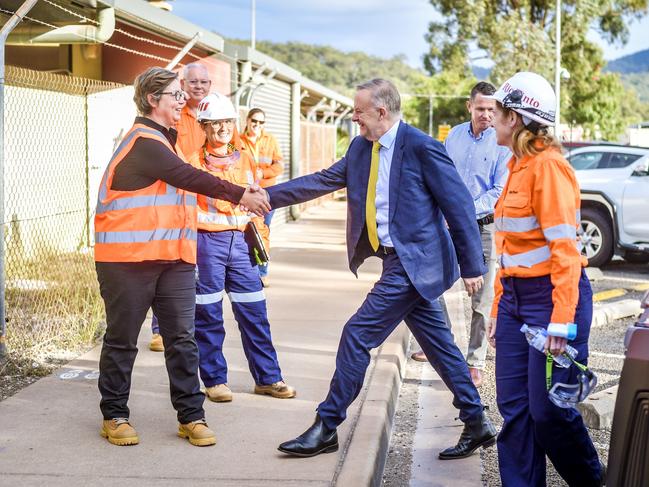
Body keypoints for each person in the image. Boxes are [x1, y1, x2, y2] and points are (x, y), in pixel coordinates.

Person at [265, 78, 497, 459]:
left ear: (381, 112)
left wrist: (473, 265)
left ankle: (327, 425)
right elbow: (323, 180)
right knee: (439, 347)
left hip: (414, 264)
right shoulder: (361, 148)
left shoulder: (422, 147)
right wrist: (268, 197)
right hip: (395, 260)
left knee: (356, 335)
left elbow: (458, 205)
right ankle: (477, 422)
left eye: (359, 111)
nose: (354, 117)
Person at [94, 67, 269, 447]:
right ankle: (115, 415)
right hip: (127, 261)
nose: (183, 101)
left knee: (182, 339)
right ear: (153, 100)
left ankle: (191, 416)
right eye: (175, 95)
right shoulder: (144, 142)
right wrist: (241, 195)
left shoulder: (165, 140)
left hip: (172, 259)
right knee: (122, 339)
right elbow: (189, 177)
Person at [486, 72, 603, 486]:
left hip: (551, 300)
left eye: (496, 112)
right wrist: (500, 310)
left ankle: (595, 480)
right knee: (514, 409)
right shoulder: (516, 166)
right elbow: (509, 252)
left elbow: (565, 253)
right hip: (517, 300)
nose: (490, 118)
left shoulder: (549, 169)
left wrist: (561, 321)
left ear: (514, 118)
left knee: (549, 411)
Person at [191, 93, 296, 403]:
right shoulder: (194, 162)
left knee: (254, 311)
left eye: (227, 122)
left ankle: (268, 378)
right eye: (215, 123)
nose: (223, 128)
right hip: (208, 243)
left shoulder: (243, 155)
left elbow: (258, 201)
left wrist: (260, 238)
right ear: (204, 127)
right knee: (208, 313)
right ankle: (215, 381)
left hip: (242, 242)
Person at [411, 82, 510, 388]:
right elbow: (440, 176)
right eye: (480, 108)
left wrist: (461, 211)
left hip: (482, 225)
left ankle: (474, 360)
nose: (486, 115)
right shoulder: (453, 136)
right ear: (469, 107)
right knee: (431, 284)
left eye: (492, 109)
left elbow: (497, 191)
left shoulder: (501, 143)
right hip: (447, 224)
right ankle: (442, 346)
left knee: (481, 297)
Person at [148, 62, 214, 353]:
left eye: (204, 82)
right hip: (174, 194)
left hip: (203, 197)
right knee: (166, 261)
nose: (198, 86)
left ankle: (182, 323)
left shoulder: (214, 114)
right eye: (193, 82)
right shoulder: (175, 113)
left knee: (188, 266)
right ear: (183, 84)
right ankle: (160, 329)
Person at [240, 108, 284, 287]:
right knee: (248, 231)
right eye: (254, 121)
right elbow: (233, 160)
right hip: (247, 194)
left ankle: (262, 272)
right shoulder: (238, 141)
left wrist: (262, 173)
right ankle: (249, 270)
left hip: (267, 193)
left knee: (263, 230)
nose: (257, 125)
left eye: (261, 122)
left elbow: (279, 165)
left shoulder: (270, 140)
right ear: (248, 120)